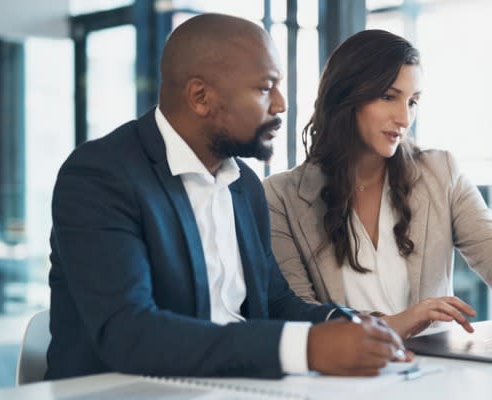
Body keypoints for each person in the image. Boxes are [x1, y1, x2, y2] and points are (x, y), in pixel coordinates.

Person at [46, 14, 405, 381]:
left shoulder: (243, 185)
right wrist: (307, 348)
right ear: (201, 97)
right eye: (266, 88)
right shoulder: (101, 177)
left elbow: (274, 301)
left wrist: (346, 322)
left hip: (229, 385)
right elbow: (129, 332)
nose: (281, 104)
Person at [263, 29, 492, 339]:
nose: (404, 118)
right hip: (345, 377)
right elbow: (295, 311)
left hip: (434, 373)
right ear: (346, 96)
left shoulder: (440, 172)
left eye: (412, 102)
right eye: (389, 97)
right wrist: (393, 324)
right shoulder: (280, 197)